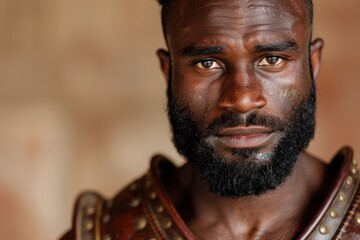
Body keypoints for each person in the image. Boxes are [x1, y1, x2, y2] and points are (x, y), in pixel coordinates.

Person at [60, 0, 360, 239]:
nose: (242, 98)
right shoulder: (104, 233)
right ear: (169, 72)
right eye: (208, 63)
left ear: (313, 63)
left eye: (272, 59)